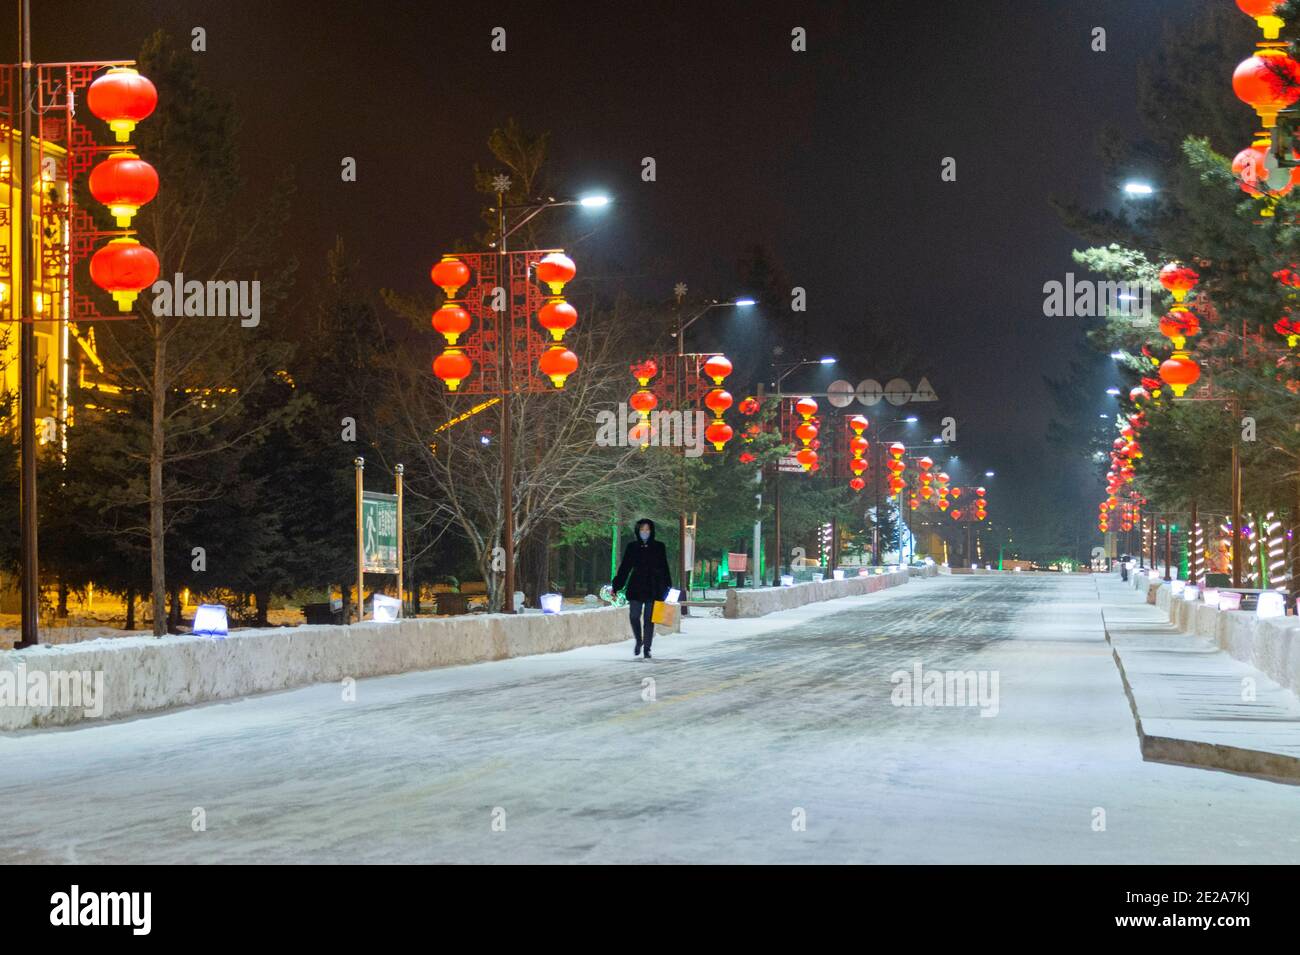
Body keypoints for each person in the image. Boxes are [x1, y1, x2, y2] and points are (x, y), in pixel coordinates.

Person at [610, 518, 673, 659]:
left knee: (649, 619)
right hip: (636, 586)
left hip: (654, 586)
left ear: (652, 531)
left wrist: (667, 586)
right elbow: (625, 568)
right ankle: (639, 640)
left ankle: (647, 648)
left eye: (647, 530)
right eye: (642, 530)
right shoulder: (632, 547)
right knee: (634, 616)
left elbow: (664, 567)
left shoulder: (659, 546)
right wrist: (616, 585)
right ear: (638, 531)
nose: (645, 532)